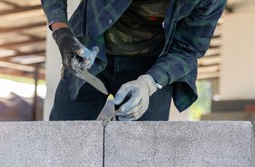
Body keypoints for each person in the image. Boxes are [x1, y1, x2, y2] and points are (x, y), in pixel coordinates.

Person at [41, 0, 227, 121]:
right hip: (91, 51)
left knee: (142, 154)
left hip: (153, 66)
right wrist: (62, 33)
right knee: (62, 142)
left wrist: (149, 83)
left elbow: (188, 48)